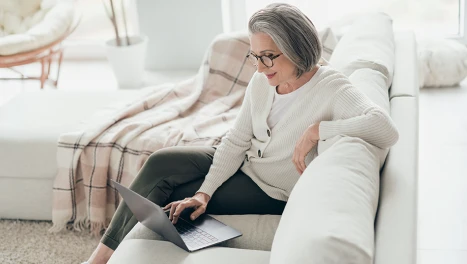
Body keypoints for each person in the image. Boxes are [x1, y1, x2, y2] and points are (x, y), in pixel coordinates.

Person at [84, 3, 399, 263]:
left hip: (270, 189)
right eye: (255, 56)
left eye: (268, 56)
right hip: (244, 162)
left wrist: (319, 130)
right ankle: (99, 258)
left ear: (295, 48)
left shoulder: (332, 87)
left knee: (170, 199)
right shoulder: (263, 82)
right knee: (161, 163)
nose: (260, 68)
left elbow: (385, 128)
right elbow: (237, 139)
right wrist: (205, 192)